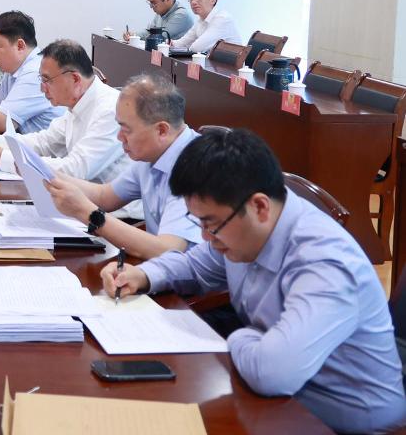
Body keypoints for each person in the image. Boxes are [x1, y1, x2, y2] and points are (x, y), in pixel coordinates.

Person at [103, 129, 406, 435]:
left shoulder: (325, 263)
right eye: (200, 223)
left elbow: (272, 373)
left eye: (211, 224)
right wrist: (143, 275)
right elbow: (195, 265)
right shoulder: (245, 228)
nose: (206, 237)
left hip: (342, 421)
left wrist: (237, 336)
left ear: (260, 207)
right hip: (275, 400)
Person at [0, 39, 141, 217]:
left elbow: (75, 170)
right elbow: (44, 142)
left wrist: (3, 158)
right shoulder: (78, 104)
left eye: (47, 80)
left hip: (116, 218)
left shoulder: (110, 110)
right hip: (81, 206)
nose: (42, 88)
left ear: (75, 79)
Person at [42, 73, 200, 258]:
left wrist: (86, 211)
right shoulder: (154, 153)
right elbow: (104, 196)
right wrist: (46, 172)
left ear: (162, 130)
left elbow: (166, 250)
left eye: (126, 130)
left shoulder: (196, 165)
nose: (119, 137)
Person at [171, 0, 241, 54]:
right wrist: (168, 43)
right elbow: (181, 43)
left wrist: (185, 48)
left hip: (229, 61)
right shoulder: (201, 20)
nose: (193, 2)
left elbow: (197, 48)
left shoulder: (223, 19)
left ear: (213, 0)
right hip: (213, 61)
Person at [122, 0, 193, 41]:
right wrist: (133, 35)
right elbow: (149, 31)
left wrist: (135, 38)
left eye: (153, 2)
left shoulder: (181, 15)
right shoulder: (161, 11)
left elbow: (159, 37)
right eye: (150, 2)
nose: (151, 6)